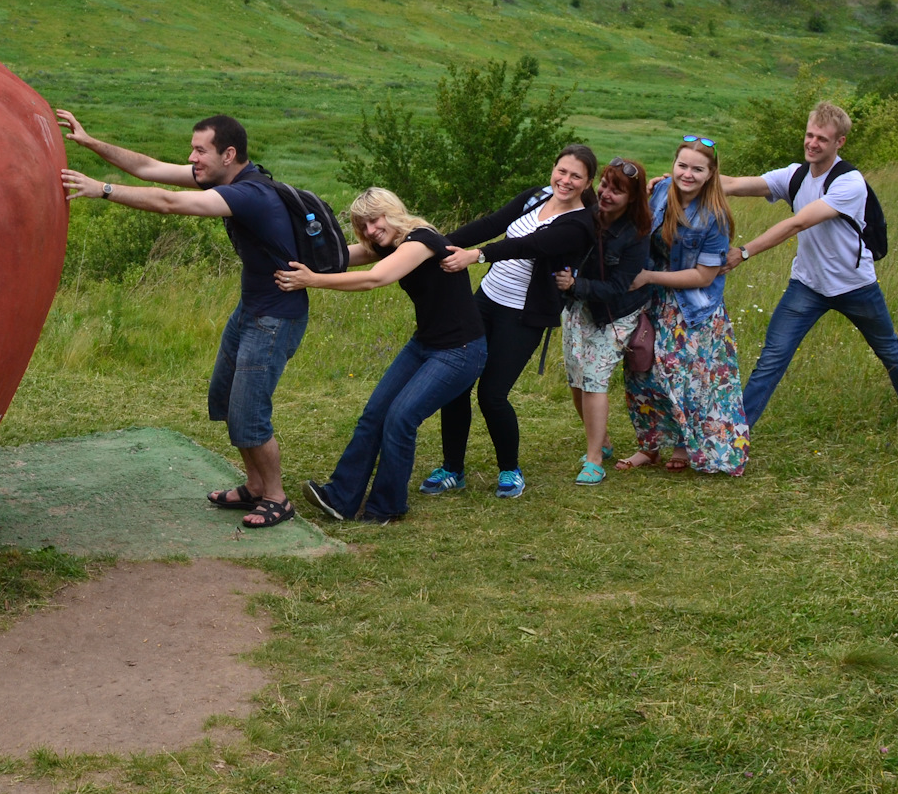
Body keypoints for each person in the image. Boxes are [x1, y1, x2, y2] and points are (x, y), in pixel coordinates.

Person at [58, 109, 306, 528]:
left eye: (199, 150)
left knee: (250, 414)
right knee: (226, 399)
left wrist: (101, 189)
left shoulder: (248, 194)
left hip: (275, 317)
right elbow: (150, 168)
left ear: (229, 154)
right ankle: (255, 486)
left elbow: (170, 203)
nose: (191, 158)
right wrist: (91, 142)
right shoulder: (224, 178)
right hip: (252, 309)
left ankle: (278, 498)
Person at [722, 102, 898, 431]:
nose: (812, 143)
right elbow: (735, 185)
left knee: (888, 347)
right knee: (772, 358)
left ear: (839, 142)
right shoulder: (795, 175)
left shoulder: (849, 183)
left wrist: (744, 252)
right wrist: (679, 179)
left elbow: (798, 223)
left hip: (855, 286)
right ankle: (737, 430)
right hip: (807, 286)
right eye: (809, 135)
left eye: (822, 139)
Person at [276, 188, 487, 524]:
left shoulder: (421, 239)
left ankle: (386, 506)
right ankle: (340, 498)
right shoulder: (392, 243)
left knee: (401, 418)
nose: (371, 230)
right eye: (364, 226)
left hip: (459, 351)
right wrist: (298, 252)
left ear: (391, 212)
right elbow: (344, 255)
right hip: (425, 344)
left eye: (374, 220)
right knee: (375, 414)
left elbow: (376, 279)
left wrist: (312, 280)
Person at [421, 145, 600, 499]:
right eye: (561, 171)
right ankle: (452, 469)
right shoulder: (537, 195)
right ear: (554, 169)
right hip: (484, 301)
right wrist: (435, 244)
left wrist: (478, 255)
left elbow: (531, 245)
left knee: (492, 394)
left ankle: (510, 470)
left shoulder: (581, 223)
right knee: (455, 384)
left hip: (523, 315)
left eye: (575, 176)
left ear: (587, 182)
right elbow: (493, 223)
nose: (565, 180)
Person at [617, 136, 749, 474]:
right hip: (652, 298)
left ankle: (683, 446)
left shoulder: (715, 217)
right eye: (682, 165)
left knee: (681, 376)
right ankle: (648, 447)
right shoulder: (662, 191)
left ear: (711, 174)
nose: (687, 174)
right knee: (640, 370)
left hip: (691, 308)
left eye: (697, 169)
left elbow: (704, 276)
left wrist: (648, 277)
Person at [552, 157, 652, 485]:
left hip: (614, 314)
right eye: (605, 185)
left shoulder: (637, 233)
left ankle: (594, 460)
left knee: (594, 378)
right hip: (579, 308)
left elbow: (617, 287)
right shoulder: (587, 215)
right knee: (576, 378)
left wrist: (575, 285)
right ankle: (603, 442)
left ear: (632, 198)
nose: (606, 193)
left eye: (617, 191)